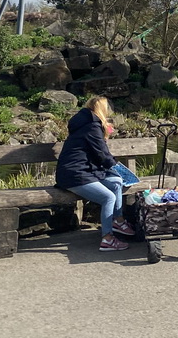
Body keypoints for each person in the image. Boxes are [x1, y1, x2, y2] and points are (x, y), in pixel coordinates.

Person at [55, 96, 135, 251]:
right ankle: (107, 239)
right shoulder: (91, 126)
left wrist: (118, 174)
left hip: (84, 171)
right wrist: (121, 170)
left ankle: (118, 221)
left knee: (116, 183)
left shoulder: (87, 123)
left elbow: (95, 153)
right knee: (108, 197)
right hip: (74, 175)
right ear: (103, 111)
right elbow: (103, 154)